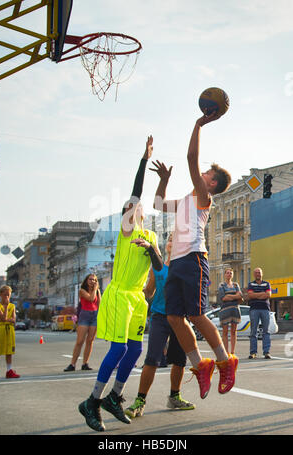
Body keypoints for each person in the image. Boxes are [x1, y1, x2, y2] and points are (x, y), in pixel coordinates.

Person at [78, 135, 163, 432]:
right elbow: (136, 192)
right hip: (118, 295)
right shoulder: (126, 232)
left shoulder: (150, 237)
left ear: (142, 212)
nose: (130, 206)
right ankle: (92, 401)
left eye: (134, 205)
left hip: (138, 299)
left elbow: (160, 267)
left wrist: (152, 250)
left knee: (135, 350)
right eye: (127, 205)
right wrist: (144, 159)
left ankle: (114, 397)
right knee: (117, 350)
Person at [151, 111, 238, 401]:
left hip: (193, 260)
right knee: (175, 317)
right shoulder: (187, 200)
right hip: (177, 263)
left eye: (206, 175)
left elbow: (191, 159)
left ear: (211, 184)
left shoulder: (204, 198)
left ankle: (225, 362)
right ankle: (200, 365)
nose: (201, 174)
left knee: (197, 314)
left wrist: (198, 124)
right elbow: (159, 204)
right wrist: (163, 180)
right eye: (204, 173)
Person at [125, 234, 195, 419]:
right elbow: (149, 291)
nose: (173, 242)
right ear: (166, 246)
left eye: (177, 239)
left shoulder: (185, 269)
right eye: (171, 239)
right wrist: (134, 291)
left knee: (179, 360)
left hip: (179, 318)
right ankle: (140, 400)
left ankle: (174, 396)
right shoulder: (158, 268)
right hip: (160, 318)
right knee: (152, 359)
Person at [64, 274, 101, 372]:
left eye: (94, 280)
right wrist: (95, 289)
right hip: (85, 316)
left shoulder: (97, 291)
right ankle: (72, 364)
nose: (92, 281)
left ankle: (85, 363)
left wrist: (97, 290)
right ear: (86, 280)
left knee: (90, 341)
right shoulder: (82, 291)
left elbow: (99, 303)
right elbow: (91, 299)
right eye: (90, 279)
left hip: (94, 316)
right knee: (80, 341)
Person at [0, 285, 20, 380]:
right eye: (5, 295)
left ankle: (9, 371)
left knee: (9, 351)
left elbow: (13, 320)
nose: (7, 297)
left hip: (10, 330)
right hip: (0, 331)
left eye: (9, 295)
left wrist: (2, 320)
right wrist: (6, 307)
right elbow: (3, 317)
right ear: (0, 295)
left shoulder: (12, 306)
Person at [247, 267, 272, 359]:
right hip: (254, 310)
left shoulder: (267, 284)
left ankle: (266, 352)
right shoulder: (251, 284)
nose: (258, 274)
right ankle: (253, 352)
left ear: (262, 274)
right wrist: (262, 294)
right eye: (256, 272)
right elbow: (250, 295)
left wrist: (255, 295)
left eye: (259, 272)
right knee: (253, 331)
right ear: (254, 274)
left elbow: (268, 295)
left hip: (265, 309)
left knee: (266, 331)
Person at [218, 268, 243, 355]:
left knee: (233, 331)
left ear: (232, 275)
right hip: (225, 310)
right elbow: (223, 298)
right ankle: (226, 352)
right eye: (227, 273)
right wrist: (234, 296)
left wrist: (229, 295)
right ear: (225, 275)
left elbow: (240, 296)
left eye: (230, 273)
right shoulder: (221, 285)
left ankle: (232, 352)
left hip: (235, 310)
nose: (229, 275)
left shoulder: (236, 285)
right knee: (225, 332)